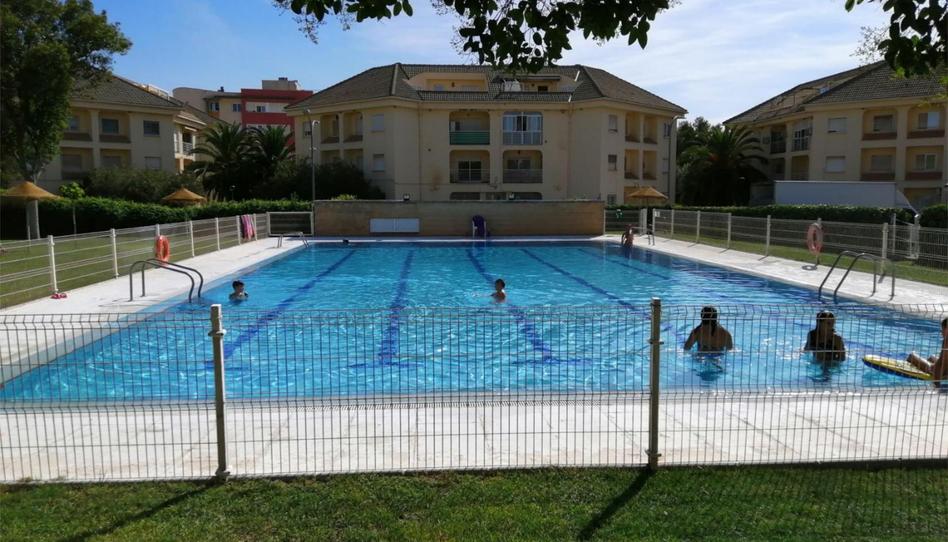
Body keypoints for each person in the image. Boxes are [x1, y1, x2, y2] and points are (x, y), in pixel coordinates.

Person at [906, 317, 948, 388]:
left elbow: (940, 365)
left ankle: (914, 355)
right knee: (932, 357)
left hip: (942, 372)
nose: (941, 332)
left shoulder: (946, 341)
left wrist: (936, 384)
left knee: (911, 356)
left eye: (942, 329)